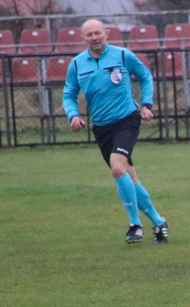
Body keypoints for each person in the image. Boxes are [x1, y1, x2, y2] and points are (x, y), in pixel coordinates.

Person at [63, 18, 168, 245]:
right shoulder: (77, 64)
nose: (94, 37)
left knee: (117, 168)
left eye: (97, 33)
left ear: (106, 33)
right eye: (89, 34)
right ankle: (159, 222)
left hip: (126, 120)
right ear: (83, 38)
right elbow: (69, 94)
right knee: (129, 176)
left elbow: (145, 76)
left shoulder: (122, 55)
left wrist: (146, 104)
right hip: (101, 127)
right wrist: (73, 115)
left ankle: (135, 224)